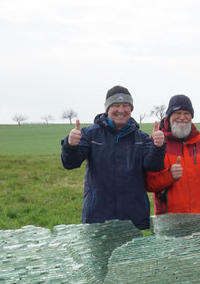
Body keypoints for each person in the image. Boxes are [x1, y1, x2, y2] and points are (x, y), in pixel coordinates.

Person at [61, 85, 166, 230]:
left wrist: (158, 147)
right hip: (98, 214)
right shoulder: (90, 135)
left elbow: (153, 165)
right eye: (116, 105)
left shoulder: (141, 138)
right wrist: (70, 145)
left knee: (131, 253)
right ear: (107, 109)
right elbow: (70, 163)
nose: (121, 110)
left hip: (132, 215)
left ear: (131, 109)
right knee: (100, 253)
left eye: (125, 106)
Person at [145, 95, 200, 214]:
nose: (182, 117)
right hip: (170, 221)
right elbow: (149, 184)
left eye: (186, 113)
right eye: (177, 113)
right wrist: (170, 176)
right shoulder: (158, 142)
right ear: (169, 116)